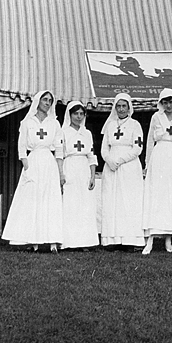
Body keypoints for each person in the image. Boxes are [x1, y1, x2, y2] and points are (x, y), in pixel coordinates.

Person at [1, 90, 63, 253]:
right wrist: (27, 166)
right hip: (33, 161)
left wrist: (60, 171)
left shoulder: (54, 123)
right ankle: (33, 241)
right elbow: (22, 147)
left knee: (49, 200)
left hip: (49, 163)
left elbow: (59, 148)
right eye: (45, 100)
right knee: (32, 200)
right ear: (38, 101)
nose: (48, 103)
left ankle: (52, 241)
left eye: (50, 100)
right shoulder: (27, 122)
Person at [141, 88, 172, 254]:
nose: (168, 105)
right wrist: (147, 164)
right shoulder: (156, 117)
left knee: (171, 198)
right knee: (157, 195)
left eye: (171, 102)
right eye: (165, 102)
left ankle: (169, 239)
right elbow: (149, 141)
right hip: (159, 156)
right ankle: (150, 239)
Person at [100, 92, 146, 249]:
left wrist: (119, 160)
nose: (121, 109)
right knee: (111, 201)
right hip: (111, 167)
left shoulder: (135, 125)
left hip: (129, 167)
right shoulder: (110, 125)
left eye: (123, 106)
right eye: (118, 106)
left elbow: (138, 148)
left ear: (129, 107)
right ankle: (112, 240)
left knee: (128, 201)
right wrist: (109, 160)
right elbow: (104, 148)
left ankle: (130, 239)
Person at [57, 101, 99, 250]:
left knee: (85, 206)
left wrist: (93, 176)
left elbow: (92, 156)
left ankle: (85, 242)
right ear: (70, 115)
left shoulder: (87, 133)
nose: (79, 117)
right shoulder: (63, 132)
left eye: (81, 114)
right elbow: (60, 155)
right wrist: (61, 174)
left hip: (84, 170)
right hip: (70, 168)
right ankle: (69, 242)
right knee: (70, 205)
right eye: (76, 113)